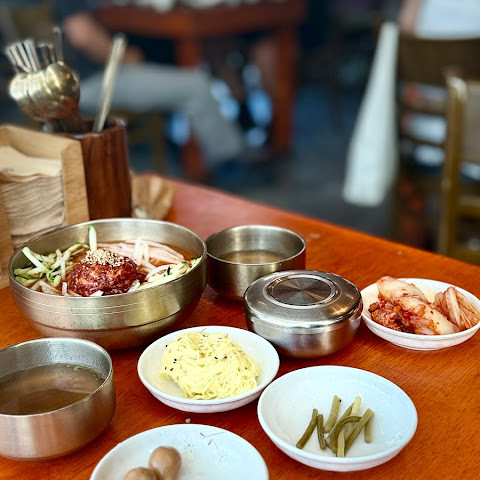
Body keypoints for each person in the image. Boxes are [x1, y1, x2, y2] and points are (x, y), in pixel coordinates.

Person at [53, 1, 246, 180]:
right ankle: (229, 165)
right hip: (87, 82)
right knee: (196, 86)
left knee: (173, 60)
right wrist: (127, 56)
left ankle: (176, 147)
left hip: (66, 82)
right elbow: (83, 36)